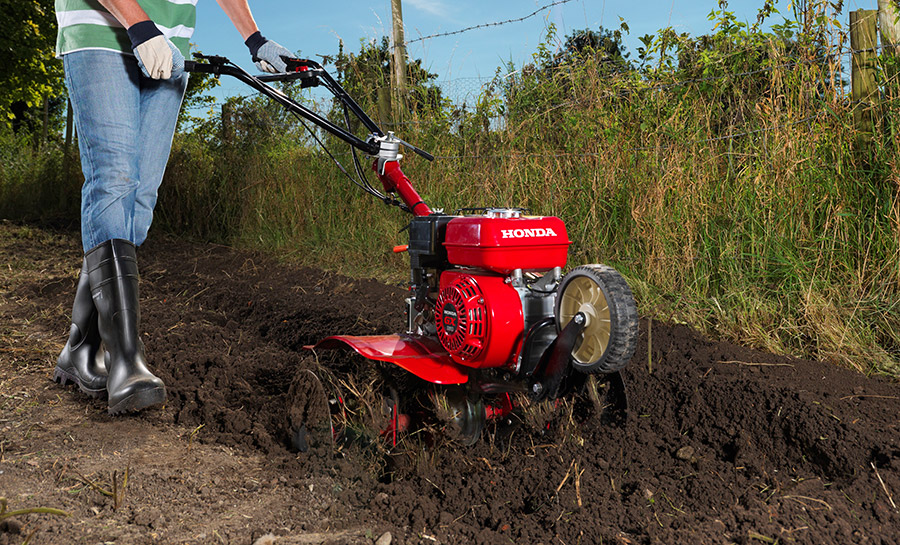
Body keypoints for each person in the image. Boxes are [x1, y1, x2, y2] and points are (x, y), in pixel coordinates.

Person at [52, 0, 293, 414]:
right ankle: (125, 362)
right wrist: (139, 23)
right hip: (102, 31)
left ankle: (81, 347)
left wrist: (255, 39)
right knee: (113, 179)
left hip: (169, 46)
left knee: (140, 198)